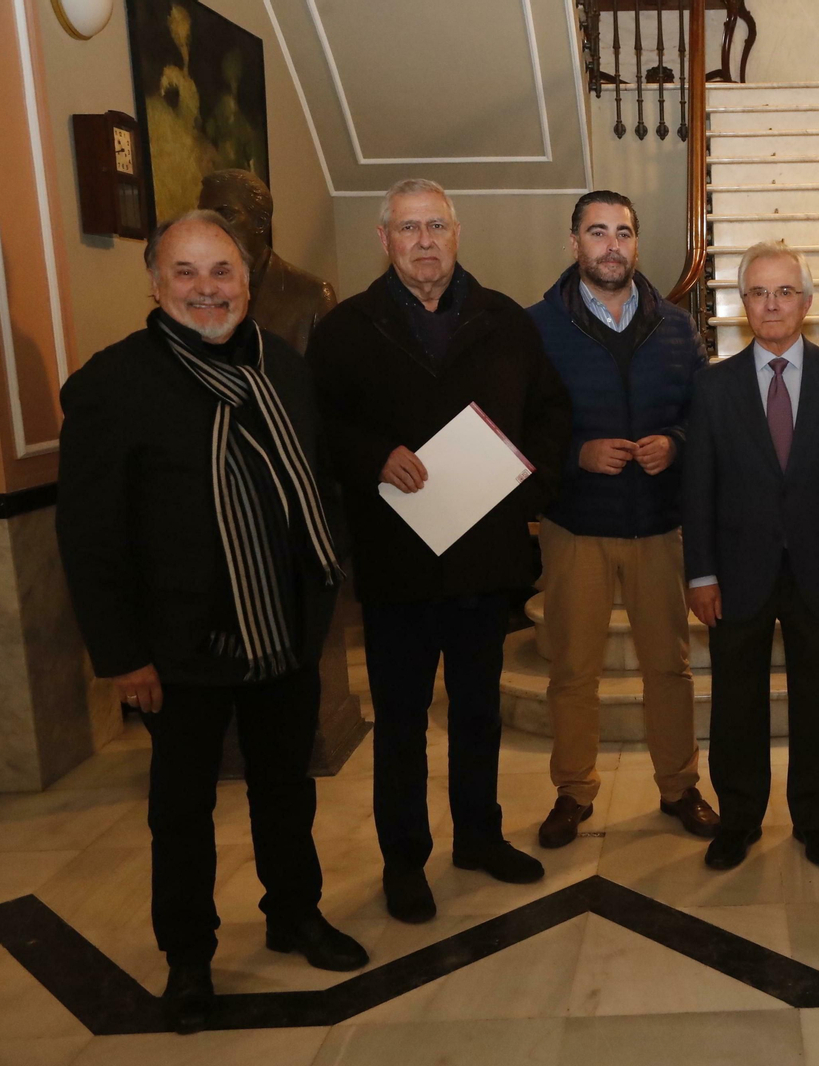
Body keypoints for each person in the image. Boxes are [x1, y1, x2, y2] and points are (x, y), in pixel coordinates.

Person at [57, 211, 366, 1033]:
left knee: (285, 789)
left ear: (247, 281)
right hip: (179, 649)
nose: (207, 290)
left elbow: (317, 481)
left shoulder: (283, 368)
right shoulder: (113, 384)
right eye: (186, 273)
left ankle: (295, 913)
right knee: (182, 810)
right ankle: (189, 957)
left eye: (221, 272)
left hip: (284, 632)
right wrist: (124, 655)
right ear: (155, 284)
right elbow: (89, 536)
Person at [308, 179, 571, 925]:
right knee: (400, 722)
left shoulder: (505, 321)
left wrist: (528, 486)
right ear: (384, 240)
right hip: (397, 562)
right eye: (408, 228)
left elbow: (551, 412)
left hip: (485, 559)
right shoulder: (346, 329)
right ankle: (404, 861)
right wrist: (372, 456)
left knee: (479, 711)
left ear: (457, 234)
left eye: (436, 226)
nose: (424, 241)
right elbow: (316, 425)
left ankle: (479, 837)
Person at [525, 191, 717, 847]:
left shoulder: (677, 328)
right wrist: (575, 455)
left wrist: (676, 445)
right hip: (576, 526)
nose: (612, 245)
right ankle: (573, 792)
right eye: (598, 232)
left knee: (669, 668)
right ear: (574, 241)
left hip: (658, 526)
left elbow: (704, 415)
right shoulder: (537, 326)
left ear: (637, 242)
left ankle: (680, 787)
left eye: (624, 233)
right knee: (574, 671)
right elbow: (516, 425)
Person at [684, 242, 819, 871]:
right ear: (743, 302)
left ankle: (816, 821)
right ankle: (738, 820)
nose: (771, 304)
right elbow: (698, 487)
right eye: (759, 292)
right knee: (737, 703)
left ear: (806, 302)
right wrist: (700, 572)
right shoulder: (712, 387)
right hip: (736, 573)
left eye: (785, 291)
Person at [197, 169, 338, 353]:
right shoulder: (189, 291)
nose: (211, 228)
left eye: (226, 215)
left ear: (260, 222)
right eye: (205, 218)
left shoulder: (313, 296)